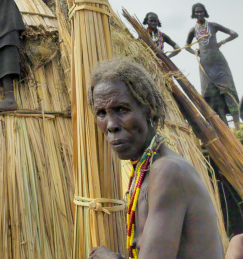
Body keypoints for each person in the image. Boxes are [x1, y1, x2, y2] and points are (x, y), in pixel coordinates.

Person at [88, 57, 224, 259]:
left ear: (149, 109)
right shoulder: (145, 170)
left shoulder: (168, 170)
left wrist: (108, 257)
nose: (110, 125)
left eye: (121, 110)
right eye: (101, 113)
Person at [185, 3, 240, 130]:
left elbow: (235, 34)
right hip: (205, 65)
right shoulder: (193, 30)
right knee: (213, 97)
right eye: (197, 12)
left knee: (229, 92)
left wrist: (222, 42)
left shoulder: (213, 26)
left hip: (219, 64)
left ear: (205, 12)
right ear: (194, 14)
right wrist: (196, 52)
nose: (199, 14)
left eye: (201, 11)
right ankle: (224, 129)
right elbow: (186, 45)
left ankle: (238, 128)